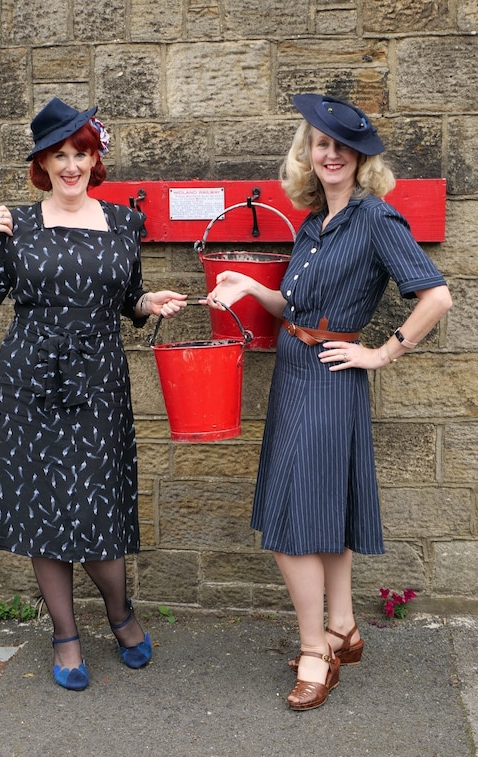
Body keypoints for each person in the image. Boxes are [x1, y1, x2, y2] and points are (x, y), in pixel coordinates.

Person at [205, 94, 452, 711]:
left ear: (362, 159)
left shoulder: (374, 219)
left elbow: (436, 297)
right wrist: (248, 285)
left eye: (344, 146)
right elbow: (296, 310)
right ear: (307, 153)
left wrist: (382, 352)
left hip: (330, 378)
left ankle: (316, 649)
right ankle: (342, 626)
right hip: (295, 371)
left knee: (294, 523)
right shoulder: (315, 224)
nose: (332, 153)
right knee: (325, 511)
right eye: (321, 143)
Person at [0, 98, 187, 691]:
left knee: (95, 509)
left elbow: (127, 298)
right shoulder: (19, 224)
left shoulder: (123, 224)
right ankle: (65, 635)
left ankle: (119, 612)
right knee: (42, 514)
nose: (69, 165)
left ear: (94, 158)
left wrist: (148, 303)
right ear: (43, 162)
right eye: (58, 155)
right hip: (28, 385)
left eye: (79, 153)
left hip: (97, 386)